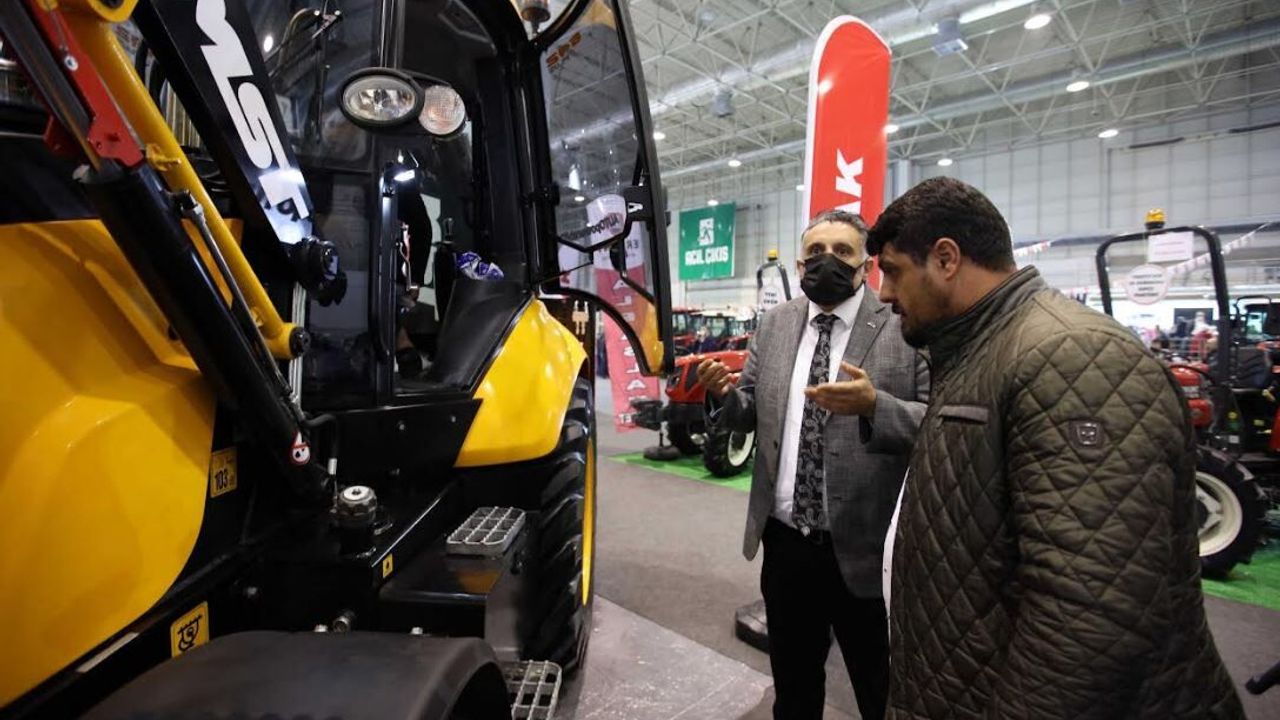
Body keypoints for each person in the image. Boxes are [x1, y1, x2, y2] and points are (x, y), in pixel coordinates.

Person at [869, 177, 1243, 719]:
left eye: (893, 271)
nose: (884, 293)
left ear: (946, 259)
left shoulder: (1074, 357)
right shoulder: (984, 350)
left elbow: (1091, 617)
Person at [696, 210, 929, 720]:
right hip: (786, 544)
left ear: (866, 264)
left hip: (867, 547)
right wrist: (724, 396)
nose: (828, 261)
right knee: (795, 686)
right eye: (816, 252)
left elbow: (935, 423)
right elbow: (749, 410)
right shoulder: (777, 323)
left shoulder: (905, 324)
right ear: (800, 264)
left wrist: (875, 406)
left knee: (881, 689)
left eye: (842, 252)